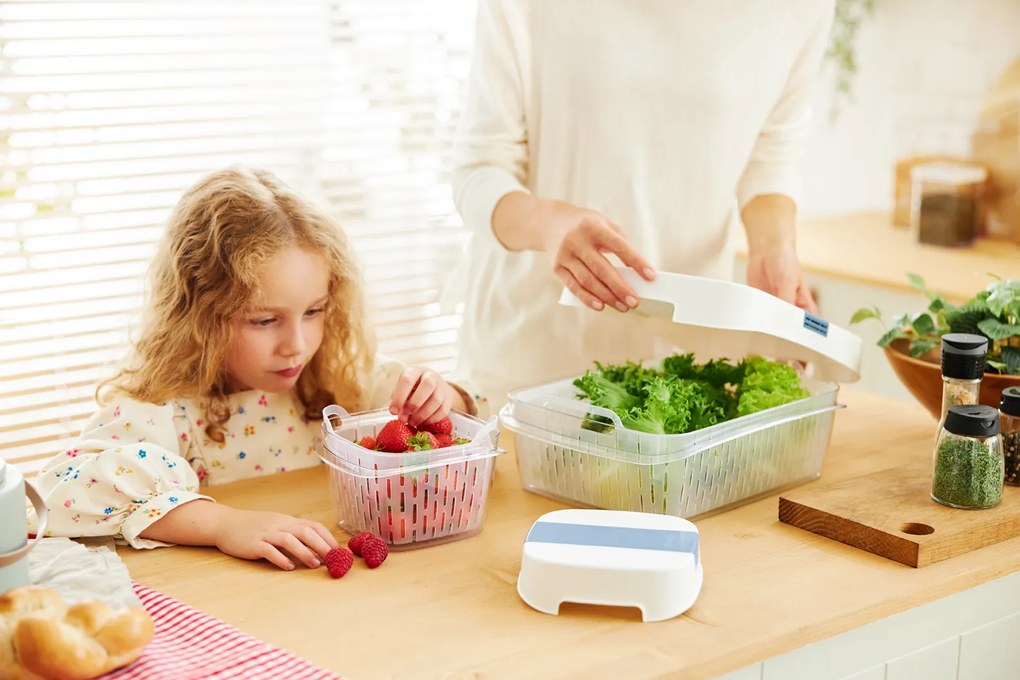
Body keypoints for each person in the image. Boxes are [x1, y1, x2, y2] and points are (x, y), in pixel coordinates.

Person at [30, 167, 482, 571]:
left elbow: (458, 416)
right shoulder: (161, 407)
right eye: (264, 321)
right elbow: (61, 494)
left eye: (314, 311)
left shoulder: (336, 374)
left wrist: (438, 398)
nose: (296, 346)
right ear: (199, 316)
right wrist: (223, 524)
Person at [451, 0, 833, 404]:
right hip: (529, 356)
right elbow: (480, 169)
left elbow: (770, 152)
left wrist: (774, 247)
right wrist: (553, 225)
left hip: (681, 365)